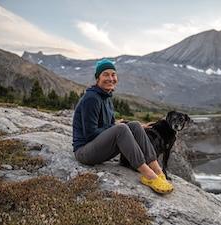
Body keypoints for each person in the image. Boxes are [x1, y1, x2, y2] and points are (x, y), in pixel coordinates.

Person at [72, 59, 173, 194]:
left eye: (113, 74)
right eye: (105, 74)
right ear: (98, 78)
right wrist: (120, 126)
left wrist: (128, 125)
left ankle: (158, 170)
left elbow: (110, 125)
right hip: (85, 152)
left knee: (135, 125)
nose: (110, 78)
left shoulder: (106, 97)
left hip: (98, 147)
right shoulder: (92, 98)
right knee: (122, 129)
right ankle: (149, 176)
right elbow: (90, 134)